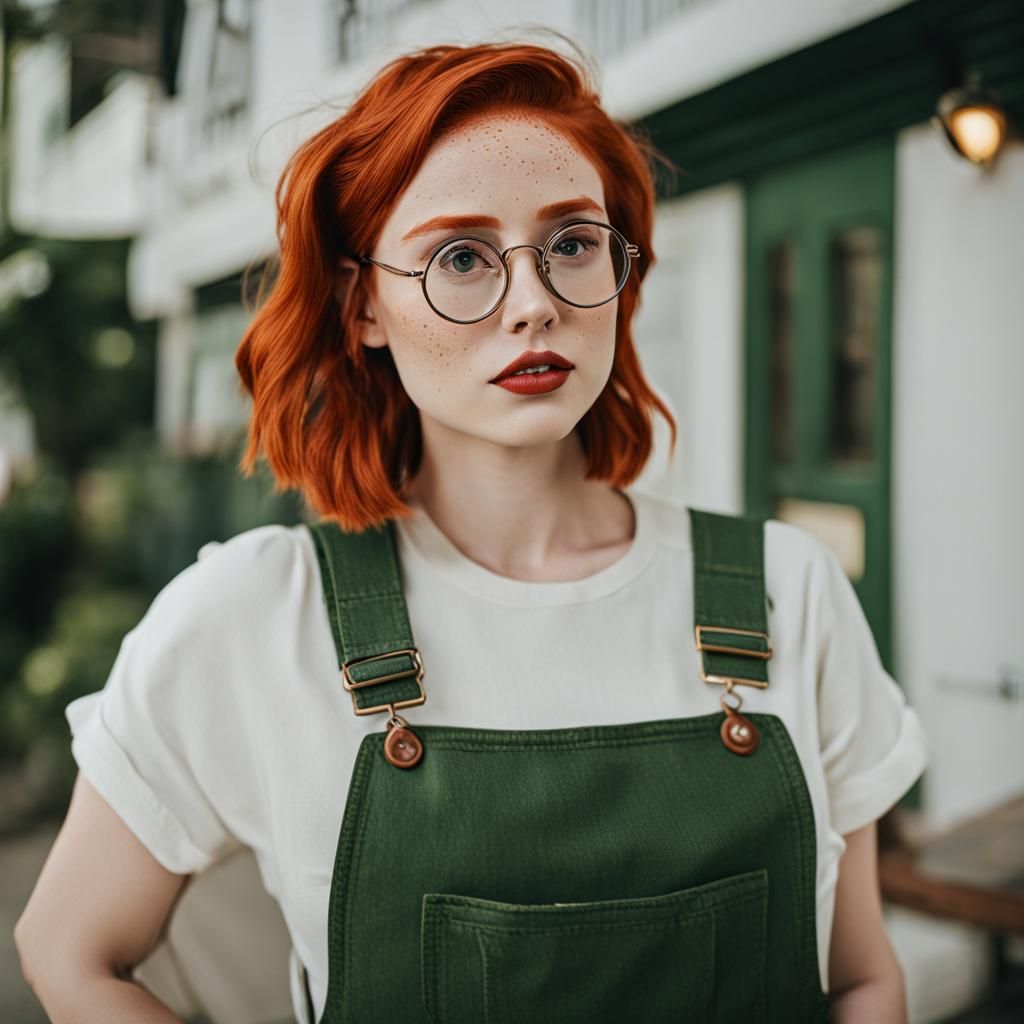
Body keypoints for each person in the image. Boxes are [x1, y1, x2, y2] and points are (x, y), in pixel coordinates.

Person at [14, 36, 928, 1024]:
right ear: (363, 303)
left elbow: (865, 978)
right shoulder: (254, 616)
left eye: (572, 242)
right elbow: (67, 951)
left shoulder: (788, 588)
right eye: (461, 256)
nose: (533, 304)